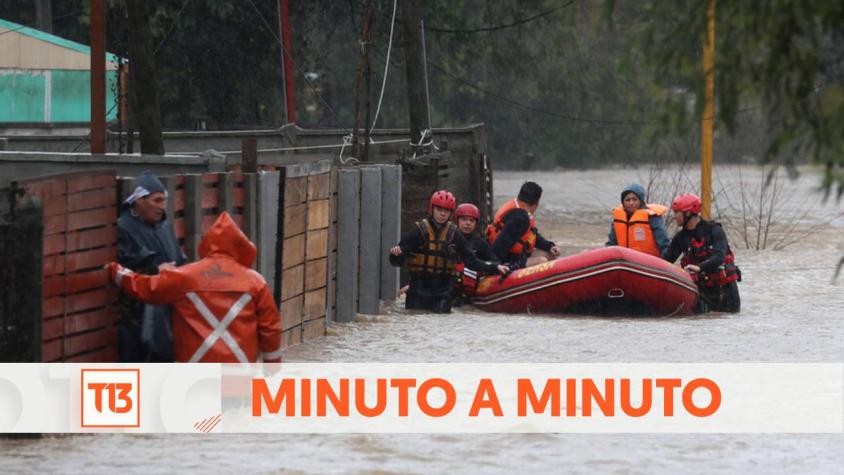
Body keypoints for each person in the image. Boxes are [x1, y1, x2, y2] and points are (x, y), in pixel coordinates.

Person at [107, 212, 283, 363]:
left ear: (208, 243)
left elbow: (147, 288)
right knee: (233, 403)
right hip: (238, 369)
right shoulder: (255, 282)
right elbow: (270, 326)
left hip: (192, 369)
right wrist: (272, 362)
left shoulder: (185, 276)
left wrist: (117, 272)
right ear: (242, 247)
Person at [389, 190, 508, 314]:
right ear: (432, 209)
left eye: (446, 211)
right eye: (439, 209)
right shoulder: (418, 231)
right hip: (418, 288)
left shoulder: (455, 234)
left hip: (443, 291)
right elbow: (397, 262)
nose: (442, 214)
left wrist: (496, 267)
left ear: (451, 213)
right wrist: (396, 255)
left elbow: (472, 262)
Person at [117, 171, 188, 362]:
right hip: (137, 317)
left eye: (164, 201)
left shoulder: (165, 227)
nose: (162, 207)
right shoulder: (122, 228)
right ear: (139, 201)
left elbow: (180, 260)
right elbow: (125, 262)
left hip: (168, 312)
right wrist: (155, 269)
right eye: (157, 201)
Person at [662, 193, 742, 313]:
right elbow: (666, 261)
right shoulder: (680, 238)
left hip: (725, 292)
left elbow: (720, 256)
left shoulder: (715, 231)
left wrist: (699, 267)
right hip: (702, 293)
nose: (674, 217)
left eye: (677, 213)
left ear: (688, 213)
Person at [487, 181, 560, 269]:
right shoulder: (519, 218)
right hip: (505, 261)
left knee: (550, 254)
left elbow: (530, 236)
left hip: (513, 255)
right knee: (542, 262)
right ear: (536, 204)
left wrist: (549, 246)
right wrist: (495, 267)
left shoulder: (518, 207)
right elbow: (499, 246)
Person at [606, 183, 670, 257]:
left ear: (641, 201)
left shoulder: (652, 217)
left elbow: (664, 243)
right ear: (623, 203)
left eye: (634, 199)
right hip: (624, 261)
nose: (631, 203)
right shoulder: (618, 219)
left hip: (649, 262)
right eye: (627, 200)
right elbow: (611, 243)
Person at [453, 203, 493, 303]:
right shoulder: (449, 239)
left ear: (476, 223)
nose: (468, 223)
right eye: (464, 219)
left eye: (472, 220)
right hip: (449, 290)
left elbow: (493, 261)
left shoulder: (480, 244)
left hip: (472, 293)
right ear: (457, 221)